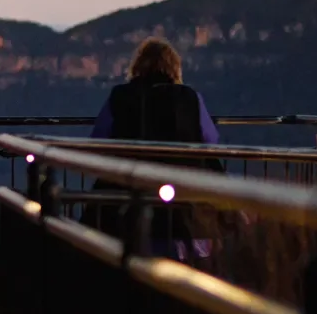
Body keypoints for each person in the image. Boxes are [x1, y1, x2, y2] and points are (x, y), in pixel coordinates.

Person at [87, 38, 224, 258]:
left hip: (126, 205)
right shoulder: (190, 98)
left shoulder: (120, 96)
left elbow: (99, 140)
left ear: (138, 65)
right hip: (184, 211)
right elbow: (210, 142)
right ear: (174, 67)